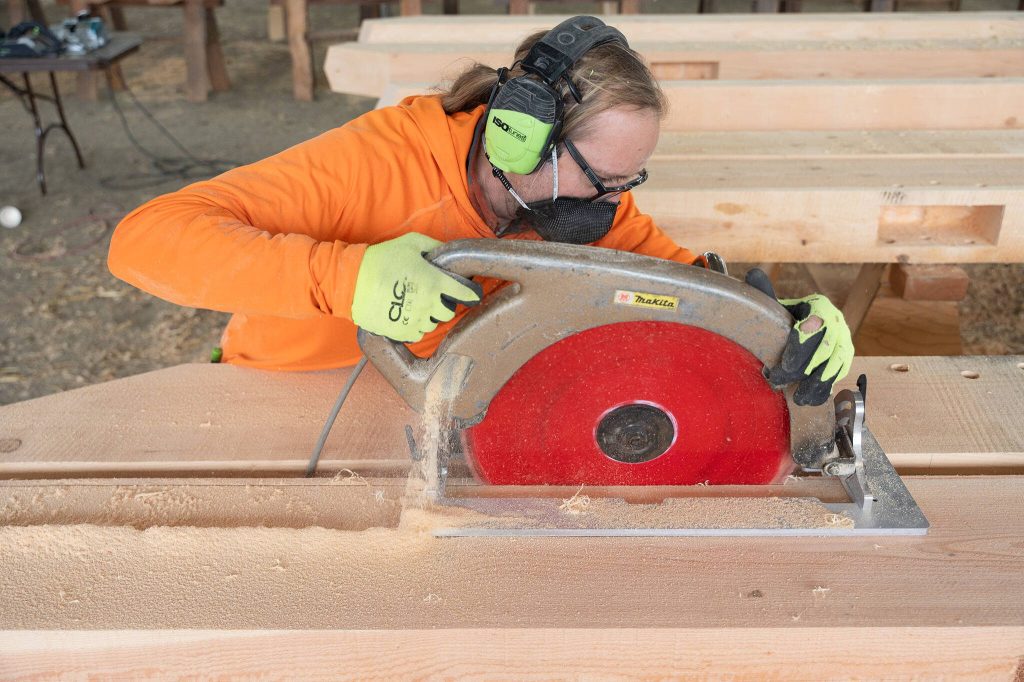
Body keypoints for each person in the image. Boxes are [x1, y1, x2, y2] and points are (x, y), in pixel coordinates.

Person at [108, 16, 851, 407]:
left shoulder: (590, 203)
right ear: (519, 135)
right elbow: (144, 240)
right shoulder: (378, 159)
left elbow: (681, 285)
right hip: (281, 396)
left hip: (436, 405)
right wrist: (347, 278)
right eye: (601, 178)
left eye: (628, 182)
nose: (613, 205)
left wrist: (779, 321)